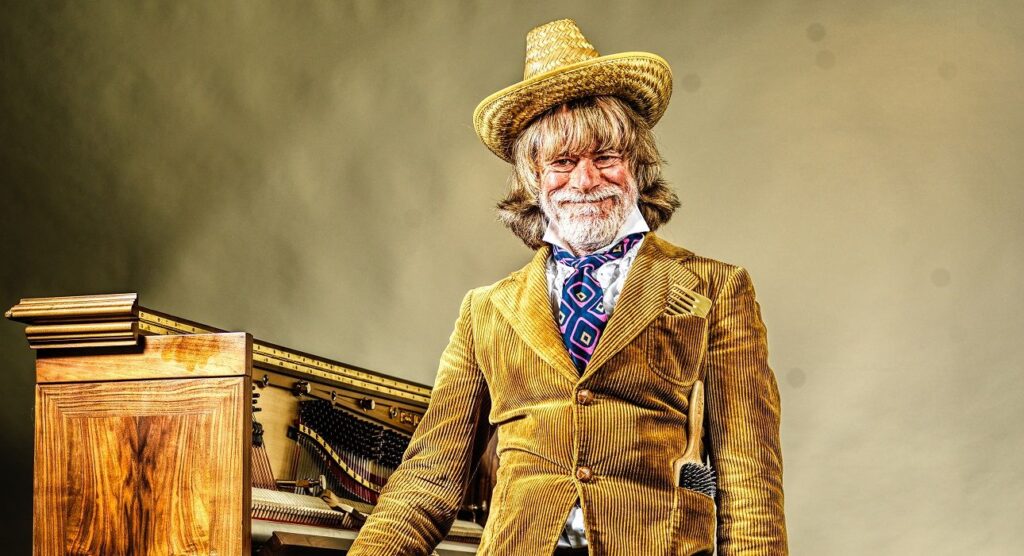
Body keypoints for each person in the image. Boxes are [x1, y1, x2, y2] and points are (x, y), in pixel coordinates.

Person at [349, 18, 787, 556]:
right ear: (533, 179)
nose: (585, 180)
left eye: (605, 157)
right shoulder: (487, 311)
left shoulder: (718, 289)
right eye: (562, 162)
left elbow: (750, 481)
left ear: (636, 167)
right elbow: (428, 479)